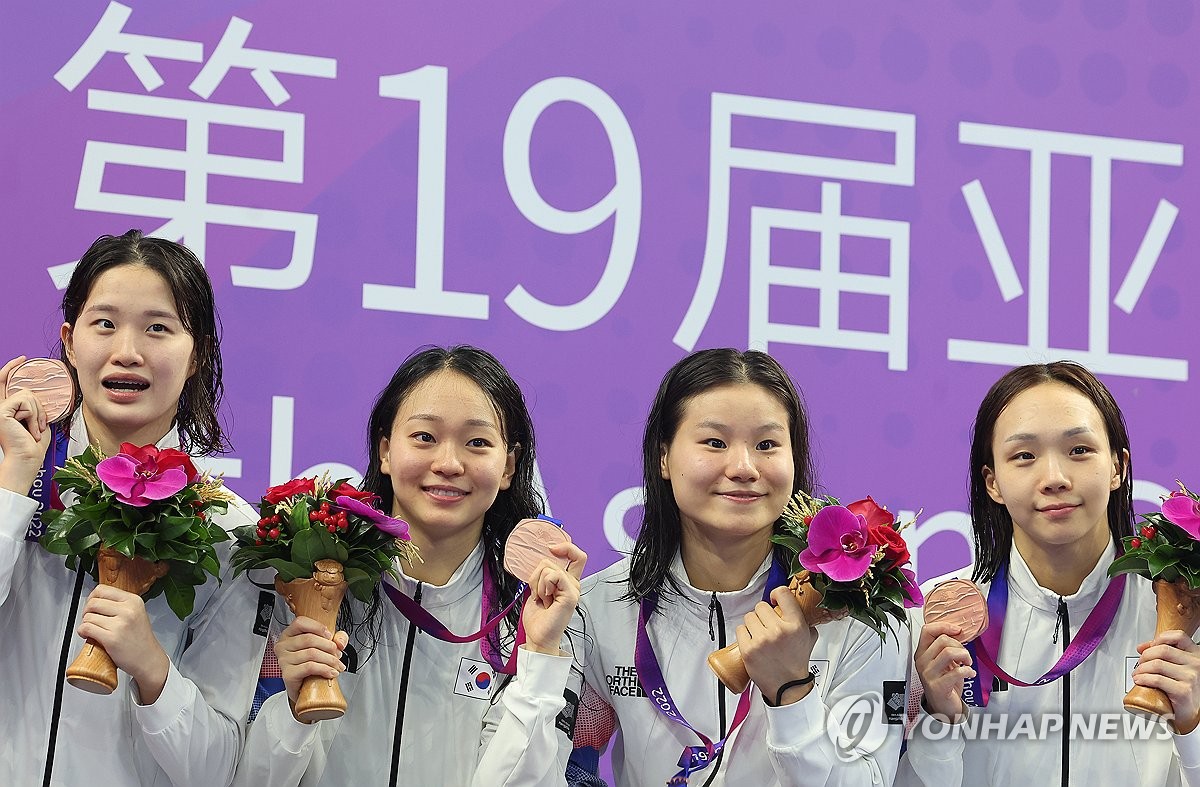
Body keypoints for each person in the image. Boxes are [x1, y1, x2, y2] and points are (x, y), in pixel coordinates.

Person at [234, 345, 586, 786]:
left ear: (508, 467)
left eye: (477, 442)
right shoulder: (311, 579)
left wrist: (539, 654)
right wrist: (293, 710)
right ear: (385, 450)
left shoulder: (540, 610)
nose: (448, 464)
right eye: (425, 437)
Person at [564, 348, 907, 786]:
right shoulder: (599, 606)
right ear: (664, 457)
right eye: (715, 442)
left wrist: (791, 692)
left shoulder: (857, 613)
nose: (743, 467)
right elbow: (566, 767)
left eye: (766, 445)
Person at [0, 230, 264, 786]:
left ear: (198, 357)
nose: (127, 351)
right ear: (69, 342)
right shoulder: (11, 470)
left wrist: (153, 671)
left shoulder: (227, 531)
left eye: (158, 328)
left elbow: (217, 771)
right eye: (105, 323)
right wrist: (11, 491)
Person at [898, 361, 1200, 787]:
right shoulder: (930, 618)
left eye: (1079, 450)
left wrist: (1193, 728)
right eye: (1024, 456)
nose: (1054, 478)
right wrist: (937, 719)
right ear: (992, 482)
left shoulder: (1185, 612)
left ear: (1118, 467)